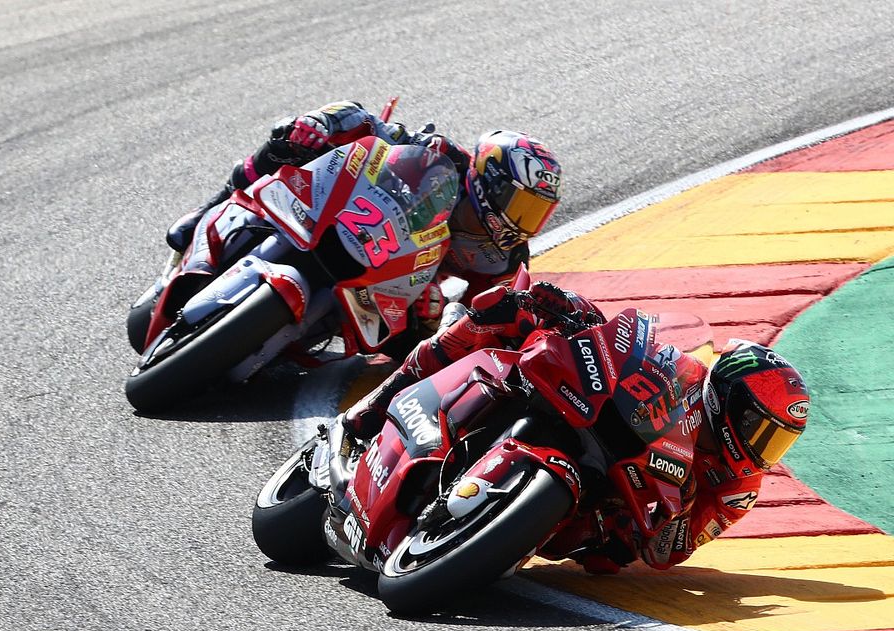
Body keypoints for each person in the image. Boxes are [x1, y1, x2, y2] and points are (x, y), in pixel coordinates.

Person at [342, 281, 811, 574]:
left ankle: (485, 535)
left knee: (607, 556)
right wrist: (571, 309)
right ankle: (377, 405)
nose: (762, 449)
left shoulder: (737, 487)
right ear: (727, 399)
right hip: (585, 416)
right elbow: (624, 344)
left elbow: (672, 549)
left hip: (605, 506)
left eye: (777, 440)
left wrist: (647, 526)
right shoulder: (686, 371)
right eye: (760, 429)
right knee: (502, 315)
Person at [164, 100, 564, 330]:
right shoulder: (442, 155)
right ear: (489, 179)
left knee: (420, 328)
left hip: (393, 288)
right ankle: (213, 206)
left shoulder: (504, 258)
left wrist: (442, 319)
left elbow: (490, 318)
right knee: (292, 139)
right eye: (519, 203)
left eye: (536, 213)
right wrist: (320, 125)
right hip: (343, 216)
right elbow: (370, 124)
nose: (521, 221)